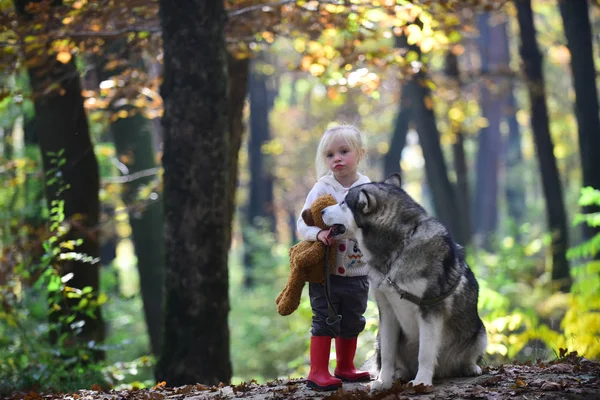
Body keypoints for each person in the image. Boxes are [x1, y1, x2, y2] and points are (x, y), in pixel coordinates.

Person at [296, 124, 371, 391]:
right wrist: (318, 235)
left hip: (359, 270)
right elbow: (302, 224)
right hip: (326, 273)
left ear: (359, 154)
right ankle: (317, 371)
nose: (336, 158)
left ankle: (345, 366)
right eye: (329, 155)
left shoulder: (367, 187)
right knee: (325, 318)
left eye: (343, 151)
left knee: (353, 317)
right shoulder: (322, 187)